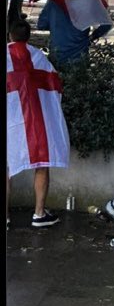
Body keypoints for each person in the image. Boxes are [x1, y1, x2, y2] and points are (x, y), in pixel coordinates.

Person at [6, 19, 70, 229]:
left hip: (12, 119)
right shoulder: (39, 57)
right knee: (41, 164)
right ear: (28, 35)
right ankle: (39, 214)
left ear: (10, 36)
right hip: (37, 119)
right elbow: (55, 86)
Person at [37, 0, 113, 65]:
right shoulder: (88, 0)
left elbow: (41, 25)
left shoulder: (53, 3)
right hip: (80, 56)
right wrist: (92, 37)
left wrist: (56, 24)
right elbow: (107, 24)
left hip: (57, 54)